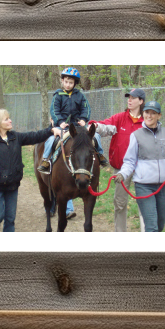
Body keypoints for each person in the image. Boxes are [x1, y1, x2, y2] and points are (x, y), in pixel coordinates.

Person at [37, 67, 108, 219]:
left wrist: (83, 119)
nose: (68, 84)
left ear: (75, 83)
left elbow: (86, 109)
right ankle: (45, 160)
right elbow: (54, 111)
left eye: (71, 82)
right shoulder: (57, 96)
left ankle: (100, 155)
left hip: (78, 126)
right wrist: (60, 122)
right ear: (62, 81)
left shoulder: (80, 96)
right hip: (62, 126)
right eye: (66, 81)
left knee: (96, 137)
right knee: (51, 139)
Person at [0, 108, 60, 232]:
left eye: (9, 118)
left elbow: (35, 136)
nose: (10, 120)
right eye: (6, 119)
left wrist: (51, 130)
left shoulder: (15, 137)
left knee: (10, 218)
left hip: (12, 186)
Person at [114, 101, 165, 232]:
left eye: (153, 113)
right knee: (151, 226)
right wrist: (122, 174)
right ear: (143, 114)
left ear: (159, 115)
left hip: (164, 186)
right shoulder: (136, 135)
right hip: (144, 185)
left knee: (160, 226)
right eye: (147, 112)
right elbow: (130, 161)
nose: (149, 116)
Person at [88, 88, 146, 232]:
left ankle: (148, 234)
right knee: (120, 203)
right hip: (121, 169)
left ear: (141, 101)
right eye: (129, 97)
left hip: (143, 169)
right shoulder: (120, 118)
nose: (130, 100)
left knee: (145, 203)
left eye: (133, 98)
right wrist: (95, 126)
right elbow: (105, 126)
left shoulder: (147, 121)